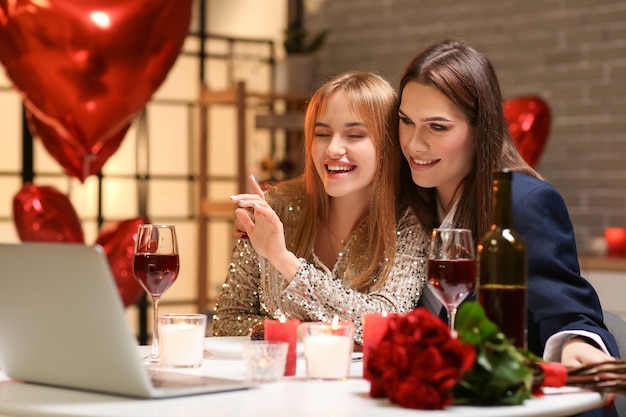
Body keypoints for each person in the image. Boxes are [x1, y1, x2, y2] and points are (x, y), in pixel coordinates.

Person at [397, 39, 618, 416]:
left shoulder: (525, 203)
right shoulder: (407, 205)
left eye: (437, 126)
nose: (415, 143)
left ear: (480, 129)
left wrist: (574, 345)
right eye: (405, 121)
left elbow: (568, 315)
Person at [212, 71, 429, 344]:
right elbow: (227, 320)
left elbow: (384, 325)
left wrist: (282, 259)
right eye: (323, 134)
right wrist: (300, 333)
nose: (333, 149)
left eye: (354, 135)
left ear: (388, 145)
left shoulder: (409, 222)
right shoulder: (273, 208)